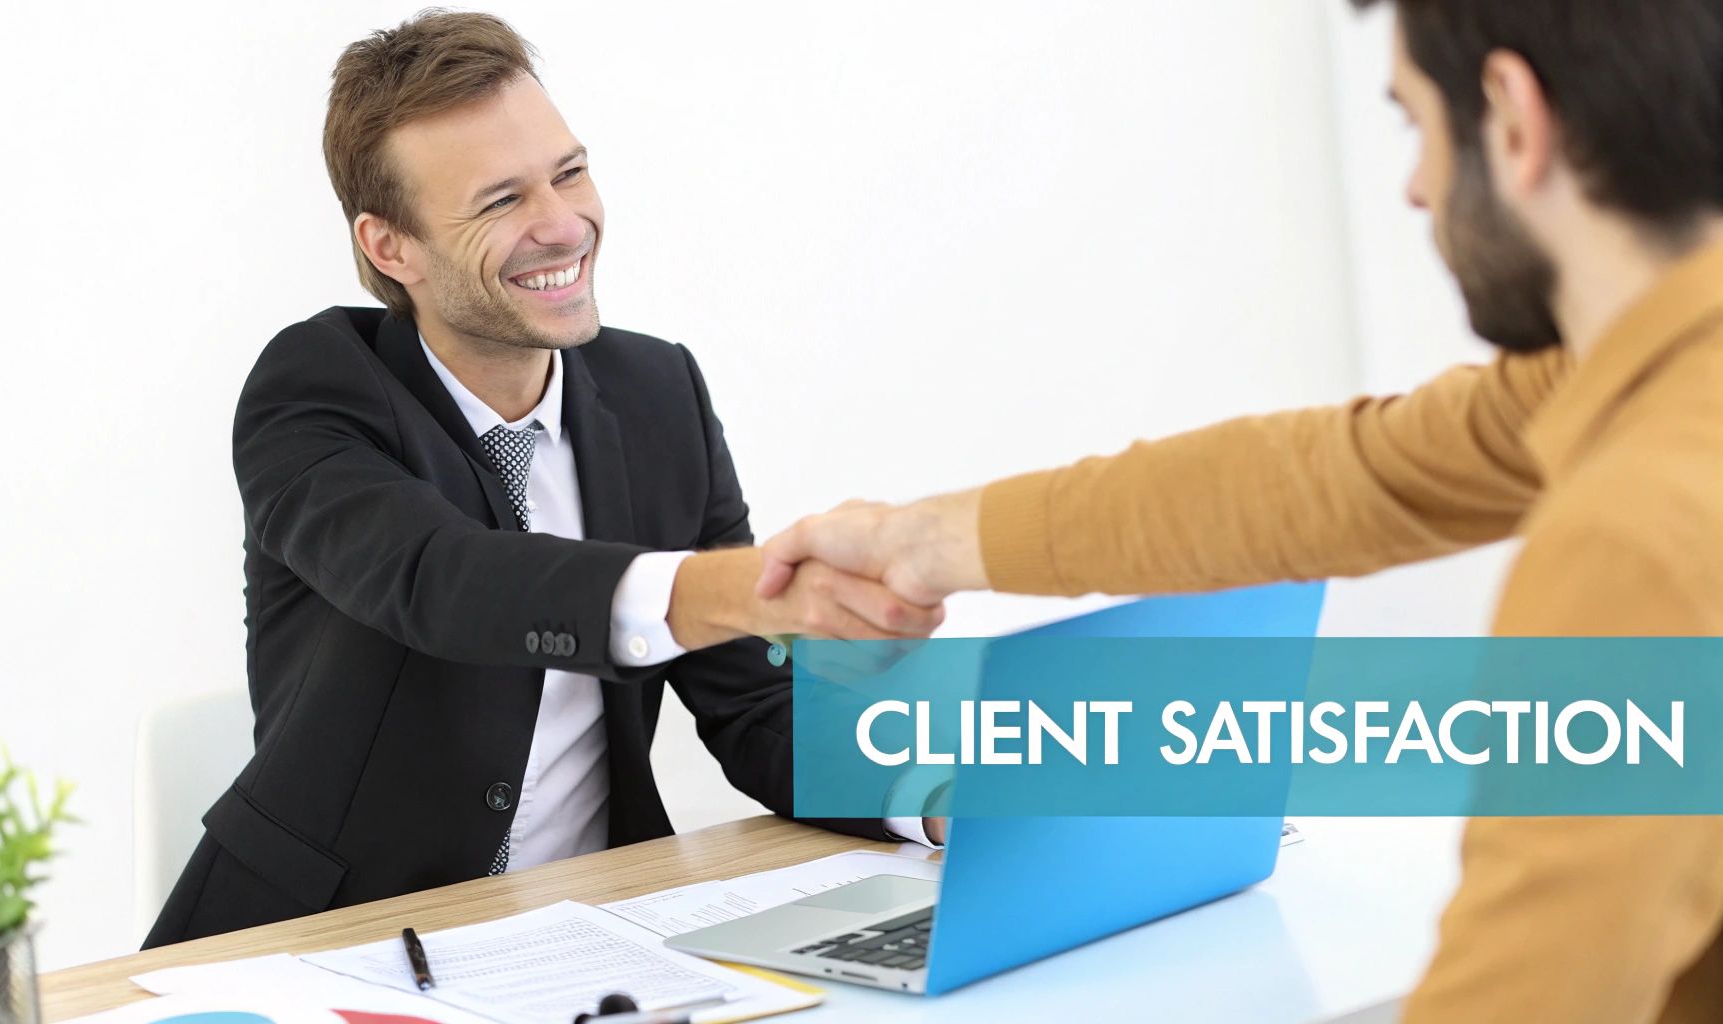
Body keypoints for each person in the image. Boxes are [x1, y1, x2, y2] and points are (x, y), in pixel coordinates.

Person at [757, 1, 1723, 1019]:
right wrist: (925, 544)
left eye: (1415, 125)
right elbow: (1338, 476)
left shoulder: (1638, 527)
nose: (1413, 186)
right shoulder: (1635, 380)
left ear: (1509, 117)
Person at [145, 11, 943, 947]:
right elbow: (445, 580)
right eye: (499, 202)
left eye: (568, 173)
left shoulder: (658, 393)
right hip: (327, 942)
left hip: (590, 937)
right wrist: (745, 587)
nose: (563, 224)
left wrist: (933, 798)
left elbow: (755, 698)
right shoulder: (314, 391)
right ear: (390, 246)